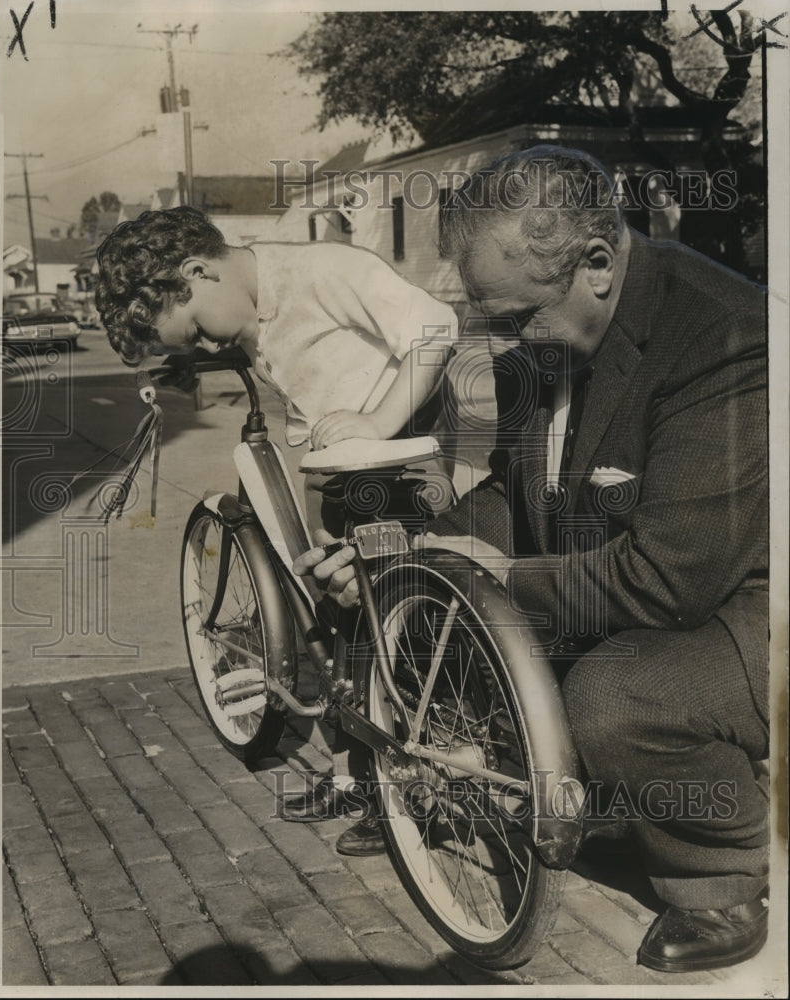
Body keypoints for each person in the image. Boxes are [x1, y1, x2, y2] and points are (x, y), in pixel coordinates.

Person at [293, 146, 770, 974]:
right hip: (664, 586)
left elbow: (665, 582)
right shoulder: (557, 332)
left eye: (513, 318)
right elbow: (504, 498)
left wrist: (494, 577)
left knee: (616, 697)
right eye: (486, 316)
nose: (497, 341)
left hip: (753, 606)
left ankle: (718, 868)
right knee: (437, 613)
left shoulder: (728, 340)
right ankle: (614, 790)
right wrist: (401, 550)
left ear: (594, 263)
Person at [95, 206, 458, 822]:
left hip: (396, 469)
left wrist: (376, 421)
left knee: (387, 624)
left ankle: (409, 787)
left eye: (201, 332)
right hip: (335, 470)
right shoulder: (240, 302)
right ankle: (357, 779)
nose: (215, 344)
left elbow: (435, 325)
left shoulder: (321, 270)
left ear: (198, 271)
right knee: (339, 616)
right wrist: (186, 359)